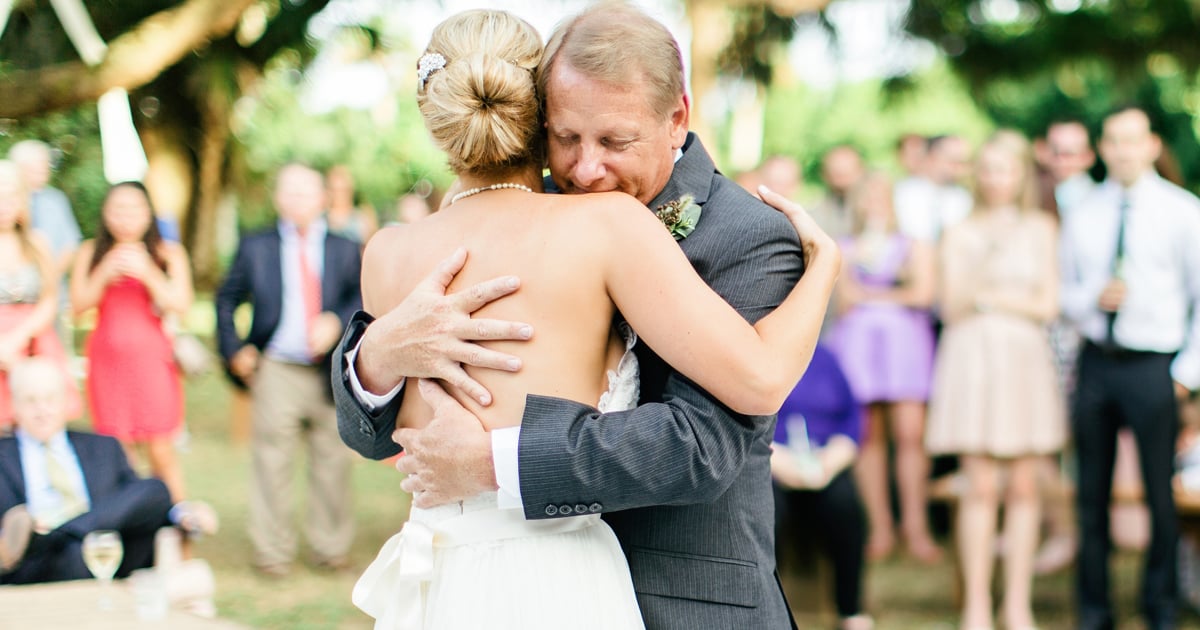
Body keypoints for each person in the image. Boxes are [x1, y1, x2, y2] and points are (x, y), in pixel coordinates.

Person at [336, 6, 838, 629]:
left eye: (614, 142)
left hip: (683, 601)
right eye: (566, 138)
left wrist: (494, 460)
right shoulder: (533, 210)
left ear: (677, 117)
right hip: (532, 584)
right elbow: (373, 435)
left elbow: (705, 445)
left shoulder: (750, 234)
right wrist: (377, 355)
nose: (585, 169)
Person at [1061, 105, 1200, 630]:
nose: (1123, 150)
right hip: (1097, 362)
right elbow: (1064, 293)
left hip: (1155, 365)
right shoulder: (1083, 212)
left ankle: (1160, 606)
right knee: (1090, 496)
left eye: (1132, 140)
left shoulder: (1182, 211)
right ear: (1102, 148)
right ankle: (1094, 610)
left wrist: (1186, 373)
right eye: (1113, 141)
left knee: (1160, 495)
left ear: (1151, 145)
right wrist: (1091, 299)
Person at [925, 131, 1064, 630]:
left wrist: (992, 299)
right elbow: (949, 305)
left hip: (1023, 359)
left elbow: (1047, 305)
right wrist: (986, 271)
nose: (994, 178)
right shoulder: (958, 231)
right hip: (972, 361)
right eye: (986, 168)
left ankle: (1018, 604)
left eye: (1004, 169)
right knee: (979, 486)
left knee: (1025, 485)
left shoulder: (1042, 228)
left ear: (1021, 174)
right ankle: (977, 606)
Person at [215, 162, 362, 577]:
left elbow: (362, 295)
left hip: (331, 369)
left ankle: (331, 547)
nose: (297, 199)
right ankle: (272, 552)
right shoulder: (255, 245)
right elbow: (226, 299)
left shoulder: (346, 247)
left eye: (306, 191)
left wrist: (336, 319)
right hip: (277, 365)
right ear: (277, 198)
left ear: (323, 198)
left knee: (332, 459)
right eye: (289, 191)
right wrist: (234, 349)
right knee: (272, 460)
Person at [0, 358, 216, 585]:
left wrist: (181, 513)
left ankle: (61, 533)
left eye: (50, 399)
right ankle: (62, 538)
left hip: (102, 548)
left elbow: (133, 505)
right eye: (31, 401)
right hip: (36, 564)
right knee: (75, 551)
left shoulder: (103, 446)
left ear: (65, 401)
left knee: (155, 488)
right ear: (15, 405)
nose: (42, 410)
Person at [829, 171, 938, 563]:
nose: (873, 203)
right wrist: (877, 281)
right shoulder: (844, 247)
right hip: (859, 345)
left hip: (905, 346)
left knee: (911, 435)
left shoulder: (913, 245)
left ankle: (916, 526)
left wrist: (872, 293)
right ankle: (879, 526)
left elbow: (923, 294)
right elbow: (844, 301)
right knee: (868, 436)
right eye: (866, 196)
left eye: (881, 195)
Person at [70, 182, 193, 503]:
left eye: (134, 209)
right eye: (118, 210)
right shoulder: (91, 252)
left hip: (152, 362)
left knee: (161, 447)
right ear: (106, 214)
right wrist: (105, 272)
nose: (126, 218)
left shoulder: (168, 252)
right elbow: (77, 306)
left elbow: (181, 304)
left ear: (148, 213)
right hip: (107, 363)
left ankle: (178, 522)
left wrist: (148, 273)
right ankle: (128, 522)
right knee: (117, 449)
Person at [770, 344, 871, 630]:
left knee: (845, 506)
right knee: (767, 512)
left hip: (824, 461)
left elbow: (853, 418)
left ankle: (850, 609)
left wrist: (832, 460)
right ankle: (769, 609)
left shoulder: (827, 358)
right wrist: (774, 459)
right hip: (770, 462)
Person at [0, 161, 81, 434]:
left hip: (35, 340)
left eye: (11, 197)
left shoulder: (37, 243)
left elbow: (49, 297)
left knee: (40, 422)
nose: (4, 205)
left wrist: (19, 337)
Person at [8, 140, 82, 350]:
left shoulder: (55, 200)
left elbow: (70, 244)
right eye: (36, 165)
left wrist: (47, 277)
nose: (44, 169)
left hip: (52, 296)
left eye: (45, 164)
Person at [893, 134, 972, 243]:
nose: (959, 168)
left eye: (962, 162)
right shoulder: (903, 192)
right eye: (952, 161)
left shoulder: (963, 198)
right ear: (932, 157)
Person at [812, 145, 865, 239]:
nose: (842, 182)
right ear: (825, 175)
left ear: (860, 172)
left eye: (847, 174)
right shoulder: (815, 215)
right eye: (837, 174)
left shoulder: (877, 210)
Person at [325, 164, 378, 244]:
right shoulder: (321, 219)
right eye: (334, 190)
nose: (339, 195)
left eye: (343, 190)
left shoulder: (362, 218)